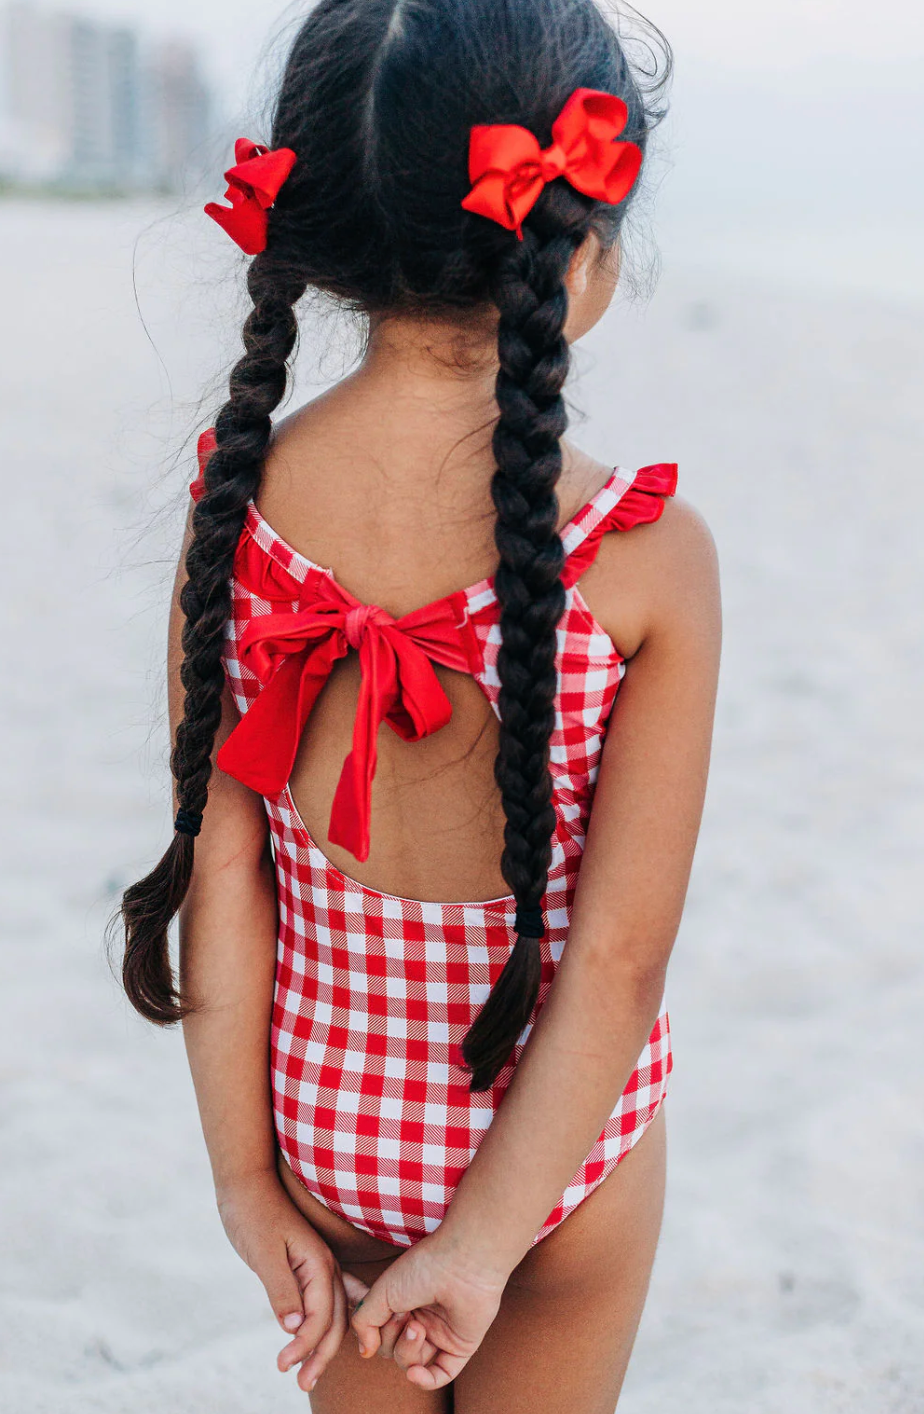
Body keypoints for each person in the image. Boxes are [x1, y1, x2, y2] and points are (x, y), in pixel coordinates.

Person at [116, 1, 721, 1408]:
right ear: (581, 249)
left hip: (325, 1136)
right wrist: (485, 1240)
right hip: (547, 1166)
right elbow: (618, 960)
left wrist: (243, 1181)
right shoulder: (644, 561)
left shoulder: (239, 507)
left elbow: (224, 869)